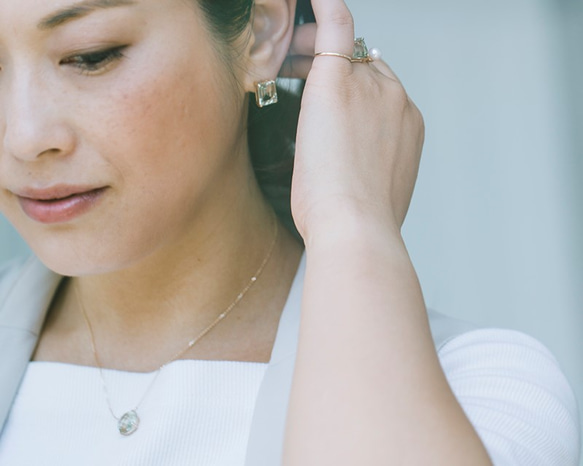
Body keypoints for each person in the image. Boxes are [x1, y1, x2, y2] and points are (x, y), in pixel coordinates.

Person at [0, 0, 579, 464]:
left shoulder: (485, 391)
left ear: (259, 32)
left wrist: (351, 220)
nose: (24, 137)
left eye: (89, 55)